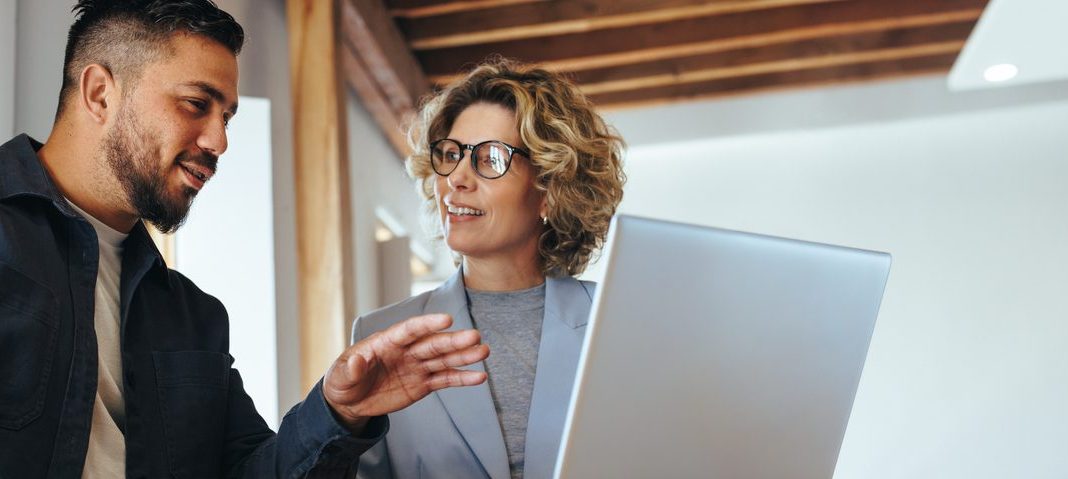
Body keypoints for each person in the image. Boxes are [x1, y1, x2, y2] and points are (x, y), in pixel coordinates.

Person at [0, 1, 489, 477]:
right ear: (100, 93)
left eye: (227, 117)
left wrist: (337, 412)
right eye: (196, 104)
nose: (219, 141)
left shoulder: (194, 318)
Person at [352, 60, 627, 479]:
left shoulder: (617, 327)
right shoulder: (381, 335)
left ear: (550, 191)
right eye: (451, 154)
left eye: (491, 158)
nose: (457, 178)